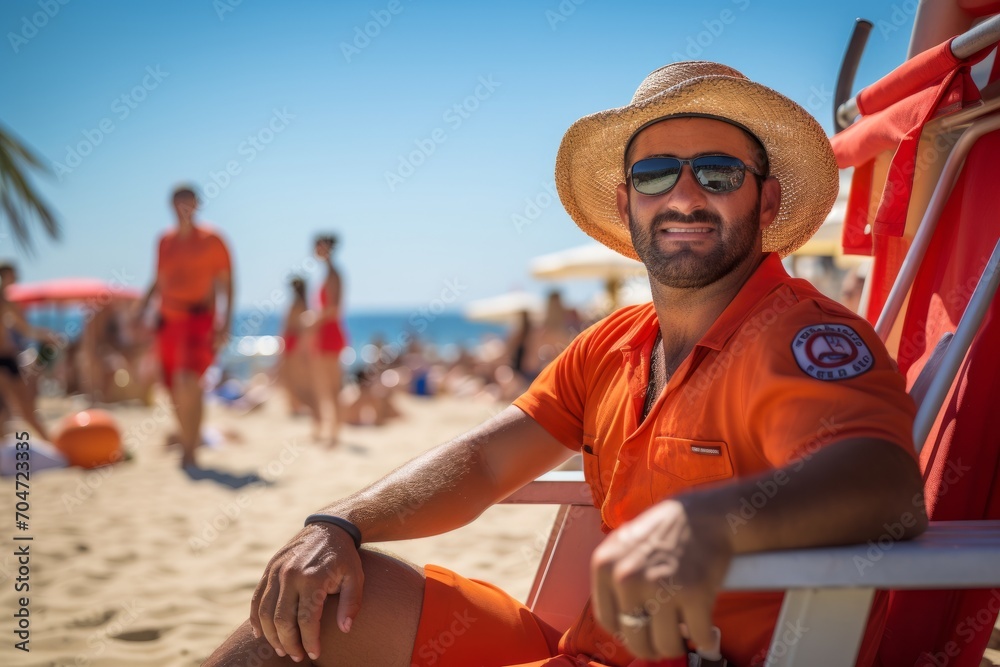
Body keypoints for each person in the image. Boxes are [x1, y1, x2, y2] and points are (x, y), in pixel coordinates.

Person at [204, 62, 925, 667]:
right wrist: (338, 521)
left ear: (766, 198)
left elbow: (885, 485)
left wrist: (703, 520)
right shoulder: (614, 343)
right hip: (582, 650)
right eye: (654, 174)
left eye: (717, 171)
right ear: (626, 202)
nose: (683, 194)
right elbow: (484, 463)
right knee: (311, 606)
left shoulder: (796, 336)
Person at [137, 185, 233, 468]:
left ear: (197, 205)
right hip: (167, 321)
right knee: (170, 387)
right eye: (179, 203)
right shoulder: (164, 241)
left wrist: (225, 321)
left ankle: (191, 449)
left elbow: (228, 282)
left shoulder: (213, 239)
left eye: (189, 203)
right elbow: (159, 278)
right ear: (171, 205)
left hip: (198, 319)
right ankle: (188, 438)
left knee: (188, 380)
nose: (184, 208)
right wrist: (142, 307)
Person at [0, 262, 59, 440]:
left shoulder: (7, 304)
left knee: (10, 410)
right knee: (24, 409)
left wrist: (46, 335)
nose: (17, 280)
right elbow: (26, 330)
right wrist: (48, 336)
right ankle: (55, 446)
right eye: (13, 276)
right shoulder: (6, 303)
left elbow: (24, 329)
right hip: (5, 360)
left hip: (7, 360)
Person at [309, 234, 348, 446]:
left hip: (329, 333)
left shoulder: (333, 273)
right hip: (326, 332)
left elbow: (333, 310)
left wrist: (312, 318)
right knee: (325, 385)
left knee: (331, 386)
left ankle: (334, 433)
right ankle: (330, 430)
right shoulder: (329, 272)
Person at [279, 276, 318, 423]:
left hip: (292, 344)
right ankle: (295, 406)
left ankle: (296, 406)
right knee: (293, 378)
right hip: (293, 343)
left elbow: (292, 328)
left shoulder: (298, 304)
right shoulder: (304, 304)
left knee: (291, 378)